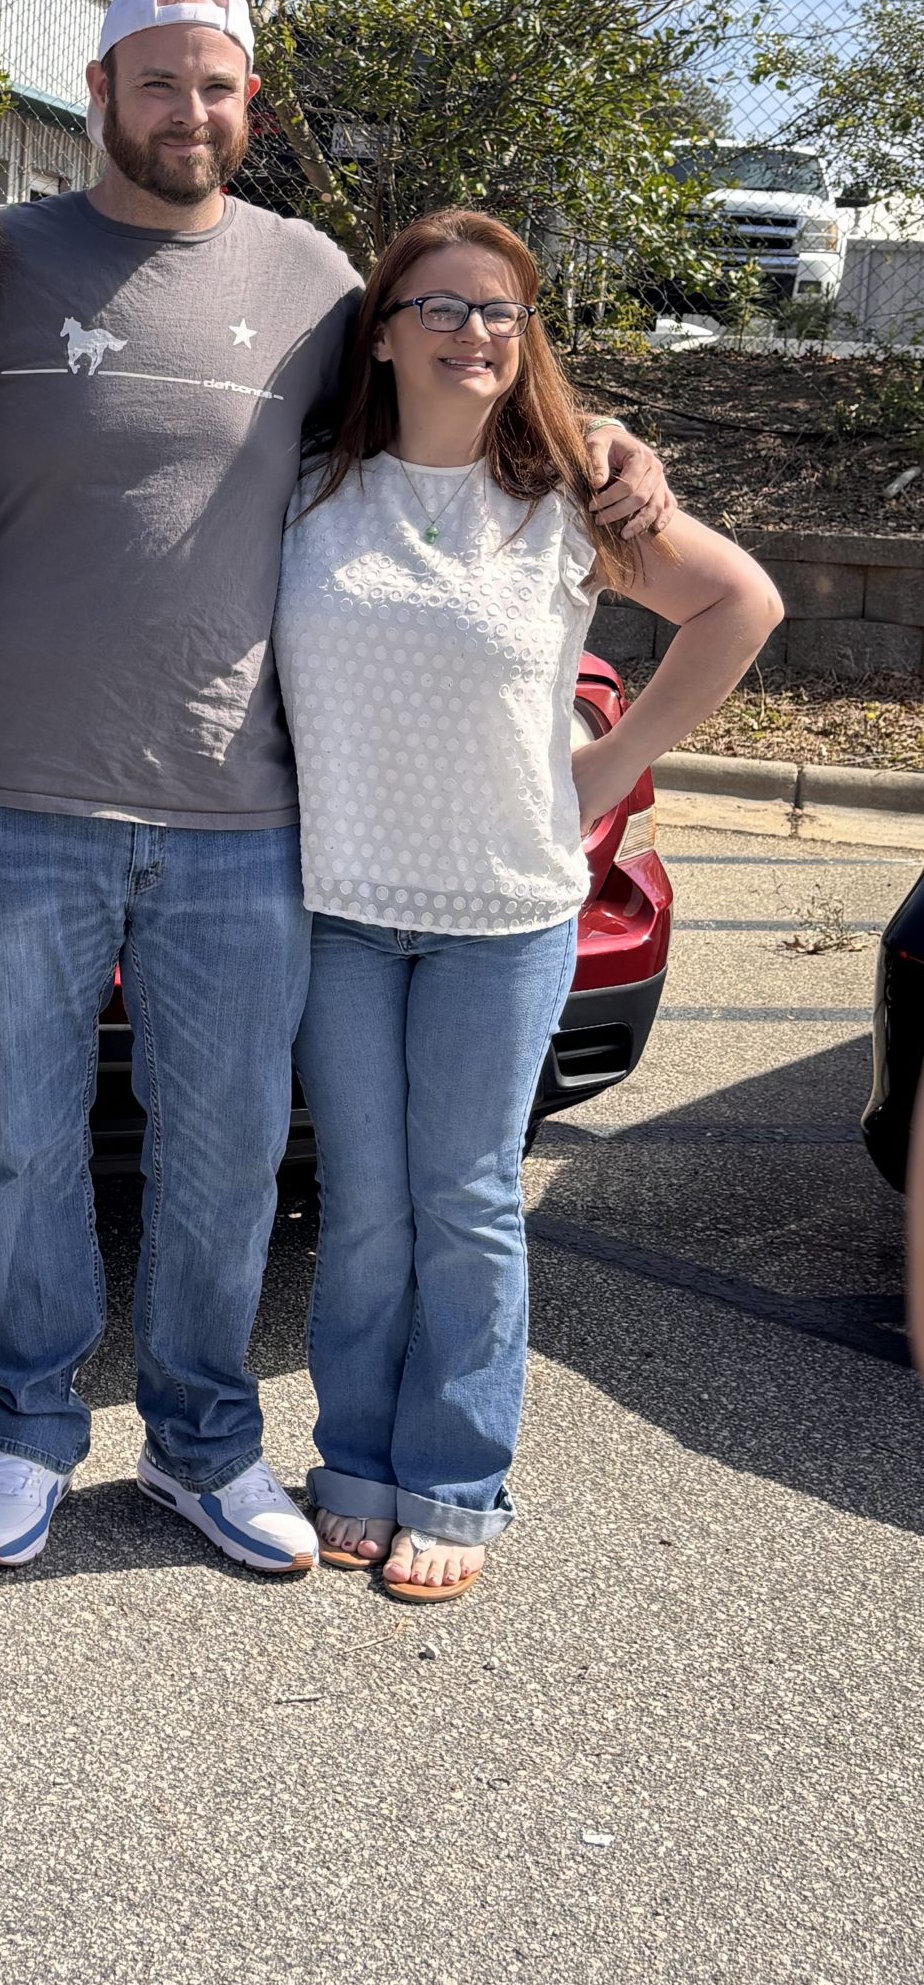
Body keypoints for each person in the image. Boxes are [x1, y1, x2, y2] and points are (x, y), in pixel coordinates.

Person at [0, 0, 675, 1578]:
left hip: (239, 811)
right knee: (25, 1144)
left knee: (225, 1153)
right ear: (100, 90)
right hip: (10, 798)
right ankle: (26, 1436)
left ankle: (202, 1449)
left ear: (246, 103)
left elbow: (458, 369)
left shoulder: (316, 279)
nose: (186, 111)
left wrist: (608, 439)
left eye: (215, 85)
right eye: (156, 80)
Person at [278, 208, 781, 1601]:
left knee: (469, 1200)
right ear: (383, 334)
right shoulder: (310, 489)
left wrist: (609, 769)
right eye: (440, 308)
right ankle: (353, 1464)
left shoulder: (568, 498)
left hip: (503, 915)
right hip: (338, 907)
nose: (474, 333)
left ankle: (454, 1484)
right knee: (363, 1208)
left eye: (502, 310)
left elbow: (741, 605)